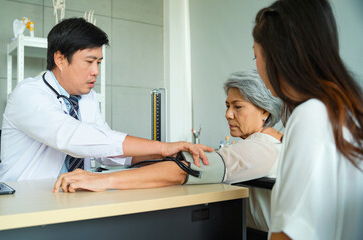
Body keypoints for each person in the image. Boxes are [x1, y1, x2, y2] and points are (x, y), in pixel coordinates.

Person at [53, 68, 284, 228]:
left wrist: (101, 181)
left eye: (237, 107)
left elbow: (184, 169)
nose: (228, 114)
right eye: (227, 105)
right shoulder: (274, 142)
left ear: (265, 111)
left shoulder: (262, 149)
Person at [0, 18, 213, 182]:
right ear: (60, 59)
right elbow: (72, 138)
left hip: (71, 197)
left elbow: (105, 151)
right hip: (24, 200)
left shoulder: (86, 98)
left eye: (99, 62)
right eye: (90, 61)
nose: (95, 71)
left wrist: (161, 154)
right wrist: (162, 146)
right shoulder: (29, 94)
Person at [252, 0, 363, 239]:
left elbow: (291, 232)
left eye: (256, 57)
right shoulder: (347, 113)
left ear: (277, 56)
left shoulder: (311, 116)